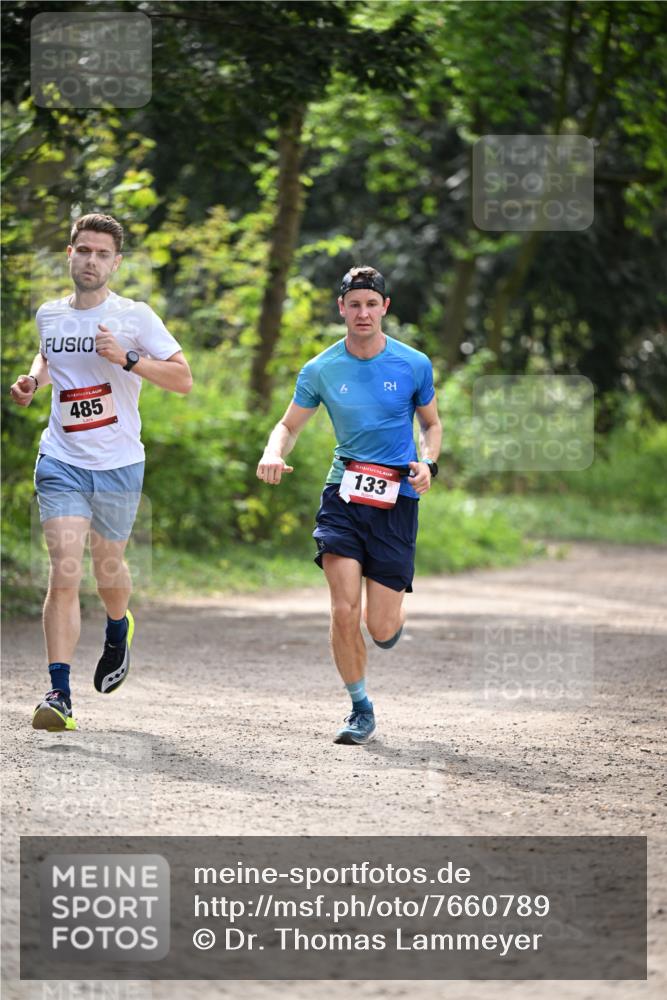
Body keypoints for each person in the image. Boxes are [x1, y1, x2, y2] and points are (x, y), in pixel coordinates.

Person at [9, 213, 193, 732]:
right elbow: (49, 359)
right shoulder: (49, 314)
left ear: (115, 262)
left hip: (117, 463)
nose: (91, 260)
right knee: (64, 569)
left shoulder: (135, 316)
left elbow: (183, 379)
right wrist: (32, 381)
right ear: (69, 254)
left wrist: (130, 359)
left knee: (107, 566)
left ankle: (118, 628)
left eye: (102, 253)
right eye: (83, 250)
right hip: (61, 459)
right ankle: (59, 693)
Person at [257, 266, 441, 745]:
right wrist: (273, 451)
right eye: (354, 304)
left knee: (379, 627)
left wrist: (429, 463)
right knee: (343, 611)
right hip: (344, 493)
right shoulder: (320, 368)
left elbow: (431, 425)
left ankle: (391, 622)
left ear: (385, 308)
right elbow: (289, 425)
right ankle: (360, 708)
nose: (363, 313)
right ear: (341, 308)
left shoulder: (413, 363)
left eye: (371, 304)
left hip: (397, 499)